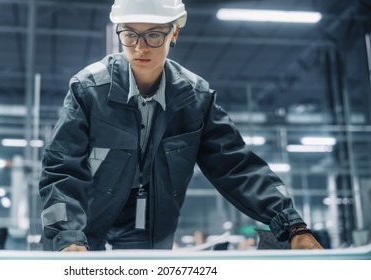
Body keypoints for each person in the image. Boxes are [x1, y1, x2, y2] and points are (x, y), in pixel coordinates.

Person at [38, 0, 323, 251]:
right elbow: (62, 167)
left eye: (153, 35)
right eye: (130, 35)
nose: (140, 47)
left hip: (147, 223)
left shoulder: (195, 98)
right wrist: (67, 236)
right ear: (119, 32)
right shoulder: (88, 90)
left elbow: (236, 166)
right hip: (84, 214)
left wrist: (292, 226)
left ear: (174, 32)